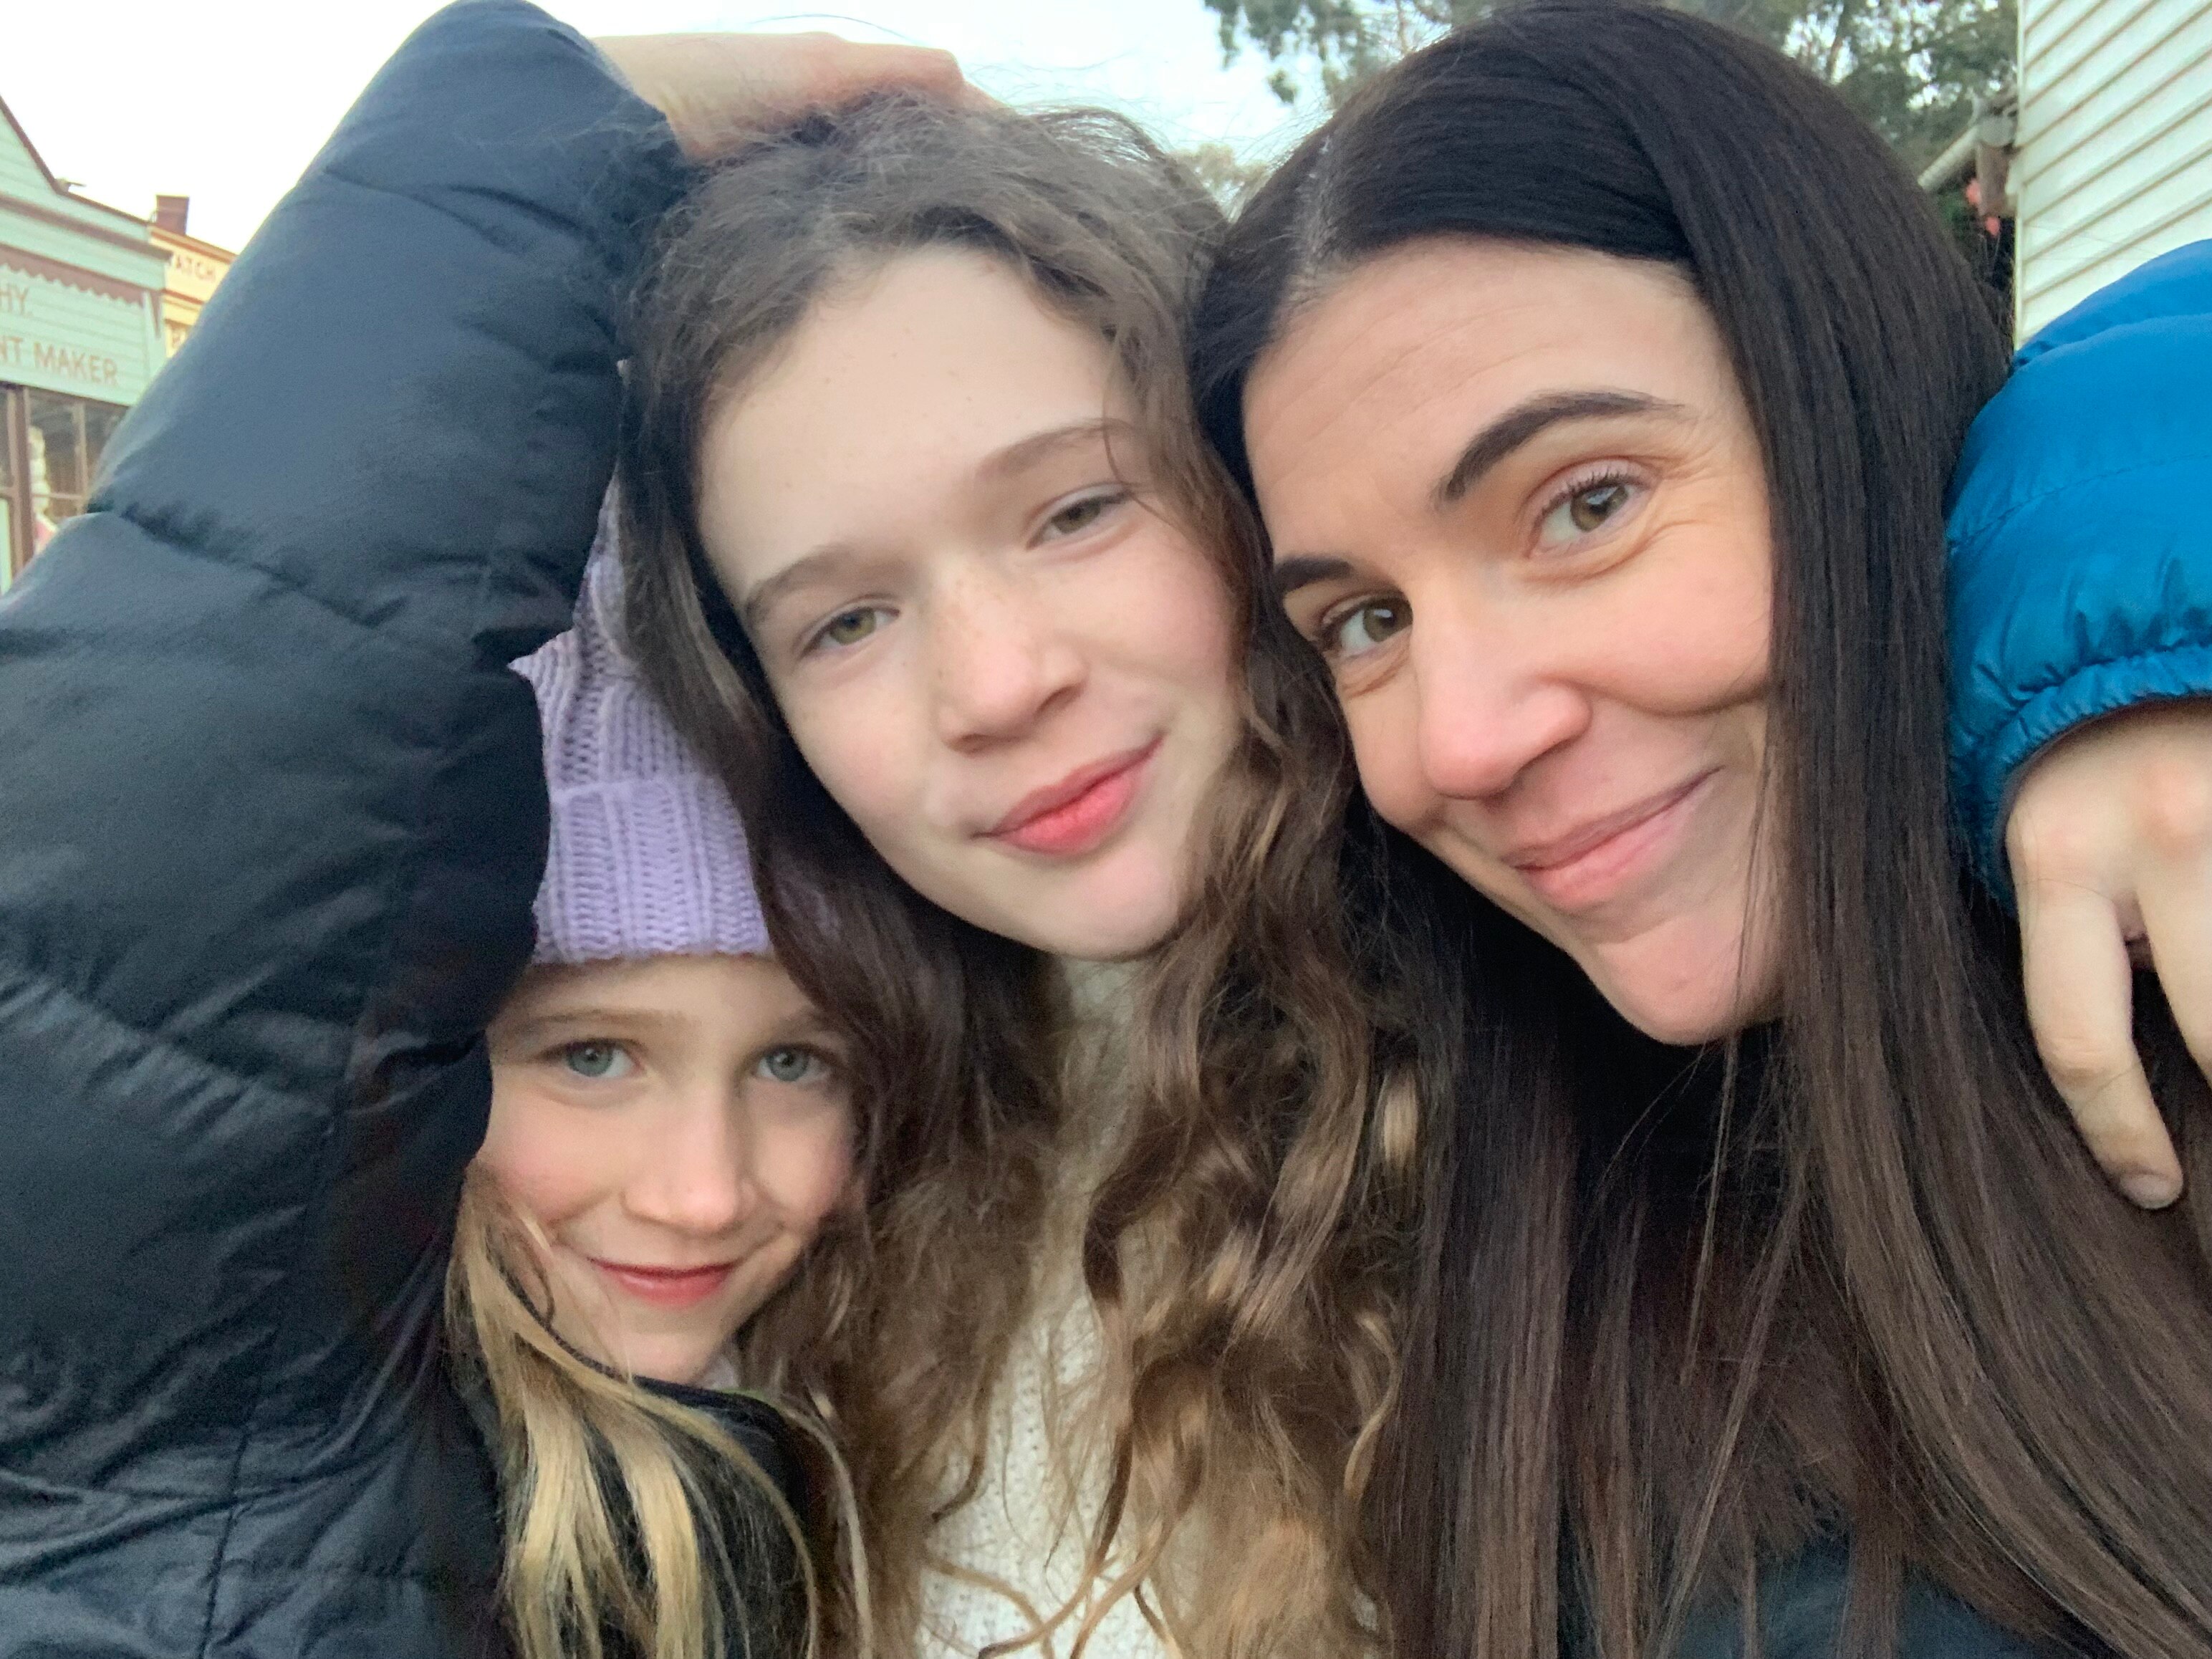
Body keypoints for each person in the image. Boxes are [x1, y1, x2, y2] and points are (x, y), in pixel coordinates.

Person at [617, 72, 2212, 1659]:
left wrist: (2111, 602)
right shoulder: (776, 1164)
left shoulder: (1582, 1009)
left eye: (1078, 508)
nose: (991, 684)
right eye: (841, 621)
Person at [1185, 4, 2212, 1655]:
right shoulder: (1457, 1276)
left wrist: (2143, 553)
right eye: (1362, 620)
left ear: (1844, 419)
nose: (1460, 741)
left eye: (1585, 504)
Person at [0, 7, 964, 1655]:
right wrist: (527, 153)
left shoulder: (885, 1431)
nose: (700, 1193)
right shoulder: (217, 1447)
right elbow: (193, 810)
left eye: (798, 1062)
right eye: (589, 1053)